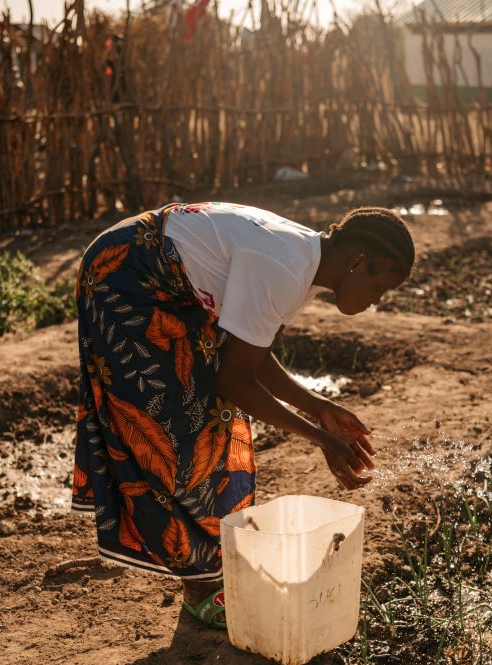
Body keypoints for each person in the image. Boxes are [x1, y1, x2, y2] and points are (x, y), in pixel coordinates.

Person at [69, 201, 415, 629]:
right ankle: (200, 586)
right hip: (125, 275)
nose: (375, 301)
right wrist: (321, 439)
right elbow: (234, 382)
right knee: (175, 431)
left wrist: (318, 407)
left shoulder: (304, 267)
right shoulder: (285, 267)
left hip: (166, 282)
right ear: (358, 261)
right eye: (379, 288)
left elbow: (253, 354)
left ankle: (210, 569)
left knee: (209, 423)